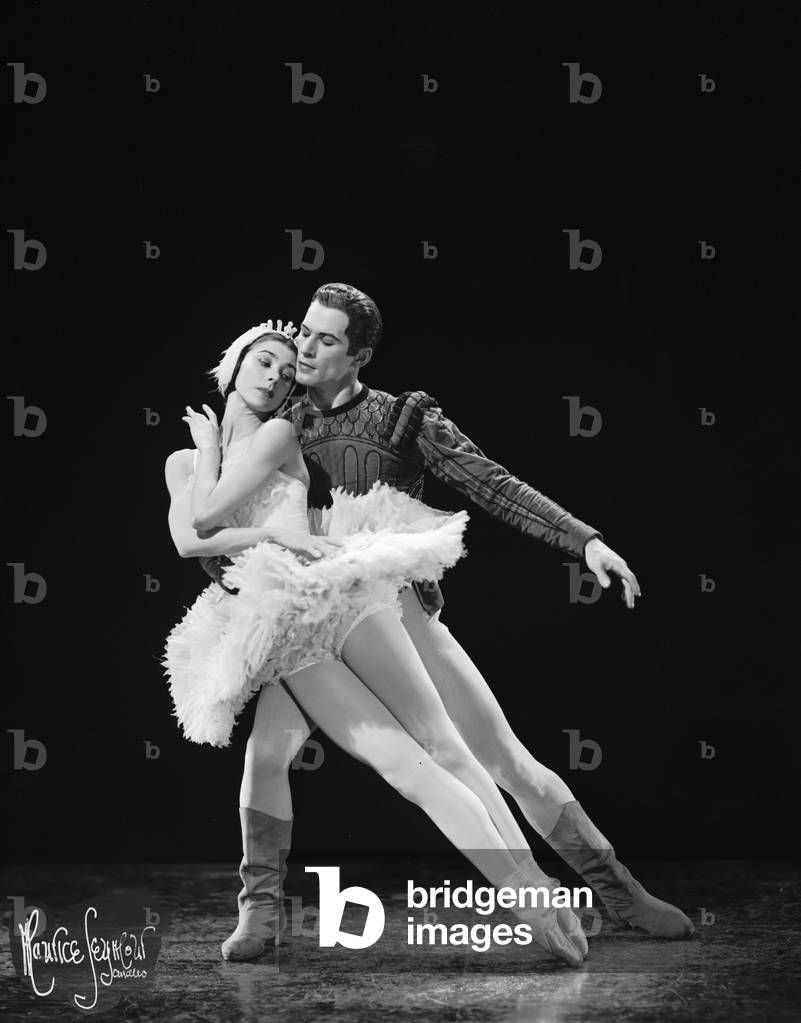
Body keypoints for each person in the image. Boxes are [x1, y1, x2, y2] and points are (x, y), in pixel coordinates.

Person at [202, 285, 694, 962]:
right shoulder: (277, 417)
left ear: (359, 355)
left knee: (502, 760)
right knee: (265, 755)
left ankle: (616, 893)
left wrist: (583, 541)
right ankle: (259, 910)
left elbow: (490, 482)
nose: (304, 350)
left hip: (388, 614)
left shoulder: (400, 419)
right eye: (304, 333)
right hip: (303, 618)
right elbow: (224, 521)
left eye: (325, 339)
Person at [163, 321, 589, 967]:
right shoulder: (186, 461)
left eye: (286, 370)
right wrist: (266, 527)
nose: (276, 376)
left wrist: (264, 526)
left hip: (332, 590)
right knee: (285, 758)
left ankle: (530, 886)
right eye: (265, 361)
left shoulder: (277, 434)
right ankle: (260, 910)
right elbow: (189, 540)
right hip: (279, 618)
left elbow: (206, 516)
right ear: (233, 363)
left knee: (437, 747)